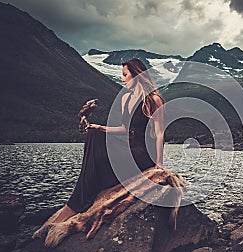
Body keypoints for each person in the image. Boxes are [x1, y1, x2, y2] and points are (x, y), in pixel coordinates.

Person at [53, 58, 165, 223]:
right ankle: (82, 196)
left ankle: (77, 203)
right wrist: (100, 128)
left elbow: (160, 133)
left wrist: (158, 165)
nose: (123, 78)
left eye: (125, 75)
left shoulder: (153, 100)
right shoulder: (126, 99)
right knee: (94, 135)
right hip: (128, 148)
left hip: (142, 153)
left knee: (95, 164)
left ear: (136, 75)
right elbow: (124, 129)